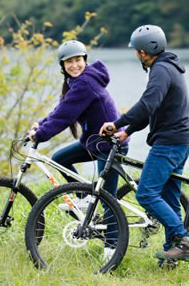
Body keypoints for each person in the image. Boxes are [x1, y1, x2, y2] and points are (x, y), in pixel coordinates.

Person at [100, 24, 189, 264]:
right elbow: (153, 108)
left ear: (144, 52)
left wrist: (116, 123)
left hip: (169, 144)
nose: (136, 55)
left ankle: (184, 242)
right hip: (179, 141)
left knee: (146, 194)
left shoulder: (161, 70)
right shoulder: (168, 67)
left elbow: (147, 104)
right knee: (170, 199)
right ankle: (169, 257)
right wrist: (128, 131)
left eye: (136, 51)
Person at [30, 40, 128, 257]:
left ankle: (112, 249)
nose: (74, 65)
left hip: (110, 145)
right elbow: (61, 109)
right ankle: (83, 198)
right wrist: (41, 123)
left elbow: (65, 116)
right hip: (95, 142)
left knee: (107, 198)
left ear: (85, 60)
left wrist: (41, 135)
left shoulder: (85, 83)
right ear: (62, 66)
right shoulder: (77, 83)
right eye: (69, 62)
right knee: (59, 158)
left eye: (78, 60)